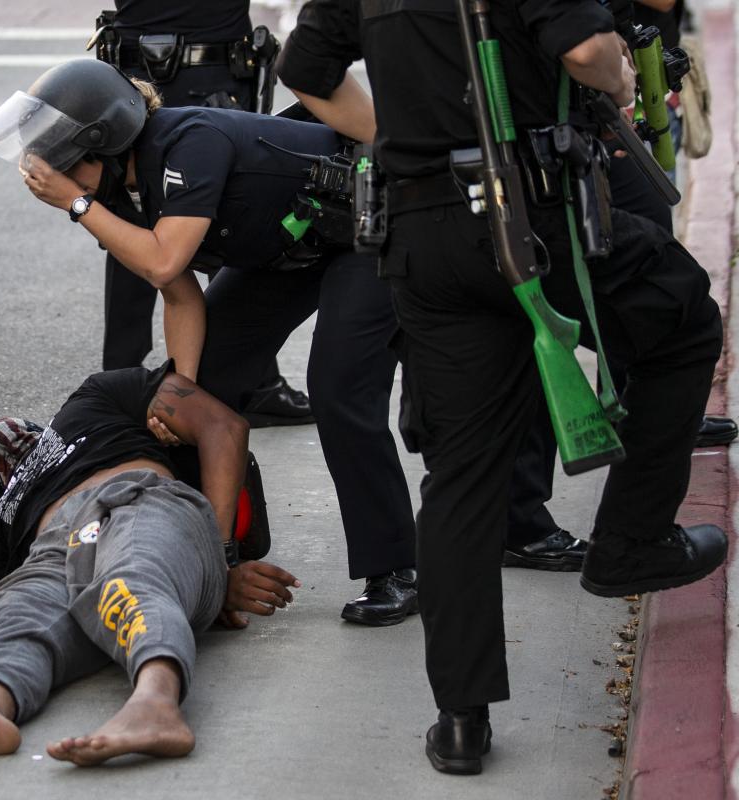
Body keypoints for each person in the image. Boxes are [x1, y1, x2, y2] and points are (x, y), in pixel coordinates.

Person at [280, 0, 725, 774]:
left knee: (462, 474)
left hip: (423, 231)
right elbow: (586, 49)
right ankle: (631, 542)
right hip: (535, 213)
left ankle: (461, 718)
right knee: (685, 325)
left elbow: (304, 69)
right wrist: (619, 75)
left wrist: (393, 140)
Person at [0, 59, 418, 626]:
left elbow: (164, 258)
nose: (56, 181)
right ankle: (206, 546)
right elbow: (179, 296)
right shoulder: (122, 192)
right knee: (192, 395)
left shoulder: (188, 142)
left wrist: (78, 205)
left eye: (65, 165)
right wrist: (181, 395)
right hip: (291, 249)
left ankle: (395, 566)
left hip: (366, 230)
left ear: (102, 144)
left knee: (338, 386)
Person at [0, 361, 300, 765]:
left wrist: (220, 560)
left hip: (138, 497)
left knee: (131, 576)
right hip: (56, 548)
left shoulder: (98, 397)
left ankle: (156, 701)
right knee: (22, 610)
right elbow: (58, 611)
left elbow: (224, 428)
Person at [94, 1, 313, 429]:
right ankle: (131, 385)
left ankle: (124, 382)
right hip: (195, 62)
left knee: (165, 218)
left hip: (167, 58)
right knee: (190, 218)